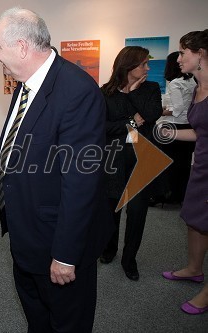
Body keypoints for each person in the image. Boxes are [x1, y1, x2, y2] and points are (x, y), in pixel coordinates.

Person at [0, 7, 113, 332]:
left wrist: (65, 255)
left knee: (67, 324)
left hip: (58, 247)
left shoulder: (77, 92)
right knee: (38, 319)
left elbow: (81, 183)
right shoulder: (25, 85)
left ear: (21, 47)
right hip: (28, 238)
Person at [100, 46, 163, 280]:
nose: (148, 68)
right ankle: (109, 250)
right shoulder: (105, 93)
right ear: (128, 66)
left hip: (141, 160)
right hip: (113, 160)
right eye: (144, 64)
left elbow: (153, 114)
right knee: (111, 210)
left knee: (137, 214)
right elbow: (101, 127)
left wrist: (134, 93)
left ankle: (129, 259)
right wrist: (132, 121)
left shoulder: (150, 89)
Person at [161, 29, 208, 315]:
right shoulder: (197, 87)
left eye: (183, 52)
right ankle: (193, 268)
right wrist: (171, 134)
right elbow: (202, 132)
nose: (179, 59)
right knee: (194, 220)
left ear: (201, 54)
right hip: (200, 165)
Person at [151, 52, 196, 205]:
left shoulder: (176, 83)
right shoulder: (192, 81)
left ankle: (165, 195)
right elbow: (186, 106)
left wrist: (158, 111)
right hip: (188, 126)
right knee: (183, 165)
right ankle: (179, 195)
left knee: (168, 163)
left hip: (174, 127)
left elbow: (177, 109)